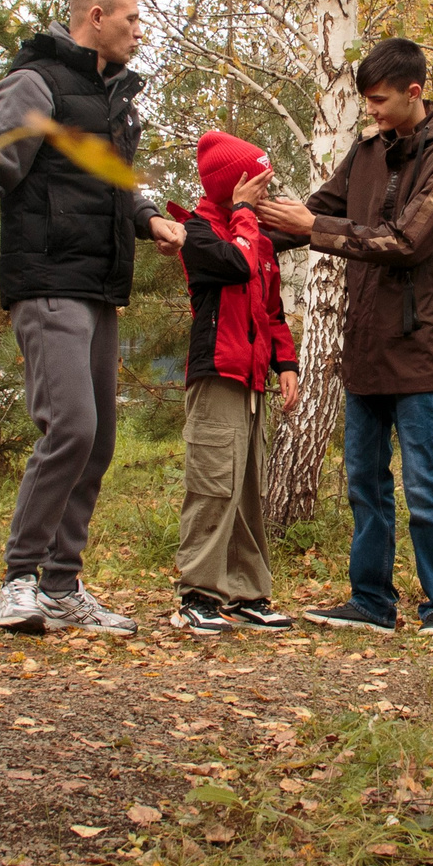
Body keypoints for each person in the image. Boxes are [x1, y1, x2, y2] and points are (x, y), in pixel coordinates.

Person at [0, 0, 184, 637]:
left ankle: (61, 584)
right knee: (71, 426)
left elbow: (114, 180)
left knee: (99, 438)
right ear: (96, 16)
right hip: (48, 280)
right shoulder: (36, 84)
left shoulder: (113, 99)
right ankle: (19, 579)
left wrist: (148, 216)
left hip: (100, 284)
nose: (140, 31)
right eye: (132, 19)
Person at [255, 38, 433, 636]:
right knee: (363, 481)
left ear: (413, 91)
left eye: (378, 101)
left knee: (424, 481)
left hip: (417, 344)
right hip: (364, 342)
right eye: (364, 101)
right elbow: (315, 210)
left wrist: (314, 226)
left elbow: (405, 242)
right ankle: (371, 602)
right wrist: (240, 237)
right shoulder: (367, 150)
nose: (370, 112)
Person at [165, 131, 302, 636]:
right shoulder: (195, 231)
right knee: (213, 483)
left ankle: (246, 594)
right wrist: (245, 214)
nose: (267, 193)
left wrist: (285, 365)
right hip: (216, 375)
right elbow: (236, 264)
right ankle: (197, 594)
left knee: (246, 489)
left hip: (251, 383)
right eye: (258, 184)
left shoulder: (259, 238)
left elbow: (271, 310)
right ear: (235, 184)